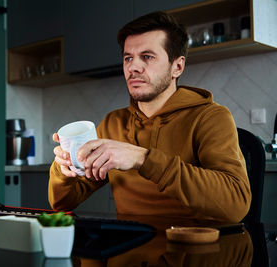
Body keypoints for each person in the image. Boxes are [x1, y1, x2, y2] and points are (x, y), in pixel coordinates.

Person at [48, 11, 251, 222]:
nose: (133, 67)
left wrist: (142, 159)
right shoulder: (113, 123)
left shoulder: (210, 117)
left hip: (194, 249)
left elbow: (236, 205)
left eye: (147, 57)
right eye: (128, 58)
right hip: (128, 250)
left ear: (177, 67)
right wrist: (65, 170)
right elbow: (62, 203)